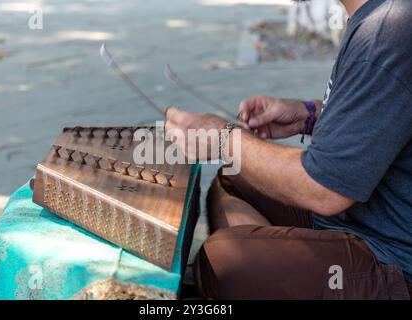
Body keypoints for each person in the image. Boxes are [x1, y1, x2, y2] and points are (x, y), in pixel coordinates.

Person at [165, 0, 412, 299]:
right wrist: (310, 114)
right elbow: (385, 109)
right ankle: (274, 268)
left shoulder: (388, 30)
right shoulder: (382, 16)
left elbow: (325, 190)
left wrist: (223, 139)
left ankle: (267, 271)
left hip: (397, 261)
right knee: (235, 179)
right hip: (361, 217)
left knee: (223, 261)